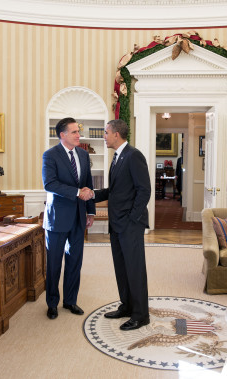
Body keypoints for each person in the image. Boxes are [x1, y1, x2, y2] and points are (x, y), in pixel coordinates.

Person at [83, 119, 151, 331]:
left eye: (106, 132)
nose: (104, 136)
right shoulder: (118, 157)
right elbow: (114, 192)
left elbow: (144, 190)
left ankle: (141, 315)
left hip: (130, 224)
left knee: (135, 269)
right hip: (117, 224)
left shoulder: (133, 155)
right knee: (122, 269)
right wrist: (92, 194)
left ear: (116, 134)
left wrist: (132, 218)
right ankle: (127, 306)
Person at [42, 117, 95, 320]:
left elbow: (87, 184)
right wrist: (76, 192)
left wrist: (90, 211)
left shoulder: (82, 154)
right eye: (74, 132)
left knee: (75, 262)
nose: (78, 135)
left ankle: (70, 301)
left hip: (79, 217)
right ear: (62, 135)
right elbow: (50, 184)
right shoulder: (50, 155)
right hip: (57, 219)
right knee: (54, 263)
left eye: (78, 131)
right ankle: (52, 303)